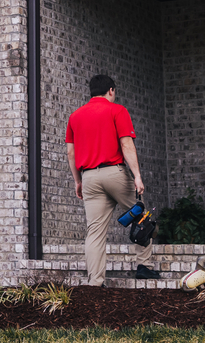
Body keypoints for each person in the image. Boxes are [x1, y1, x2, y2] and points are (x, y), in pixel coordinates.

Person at [66, 73, 153, 285]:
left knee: (94, 232)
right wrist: (137, 176)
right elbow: (126, 145)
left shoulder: (75, 116)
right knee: (141, 217)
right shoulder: (117, 110)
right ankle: (144, 267)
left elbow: (71, 153)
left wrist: (78, 181)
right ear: (111, 90)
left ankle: (95, 282)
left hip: (89, 178)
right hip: (114, 173)